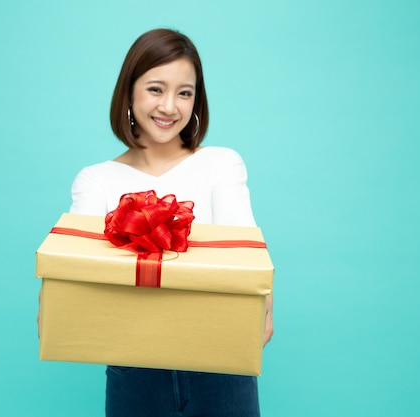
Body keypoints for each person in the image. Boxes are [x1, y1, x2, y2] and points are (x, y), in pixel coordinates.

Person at [69, 28, 273, 417]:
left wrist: (263, 305)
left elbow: (247, 258)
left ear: (197, 101)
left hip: (220, 363)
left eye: (185, 92)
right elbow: (81, 275)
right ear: (129, 92)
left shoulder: (220, 164)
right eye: (156, 89)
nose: (170, 107)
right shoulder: (95, 179)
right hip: (135, 370)